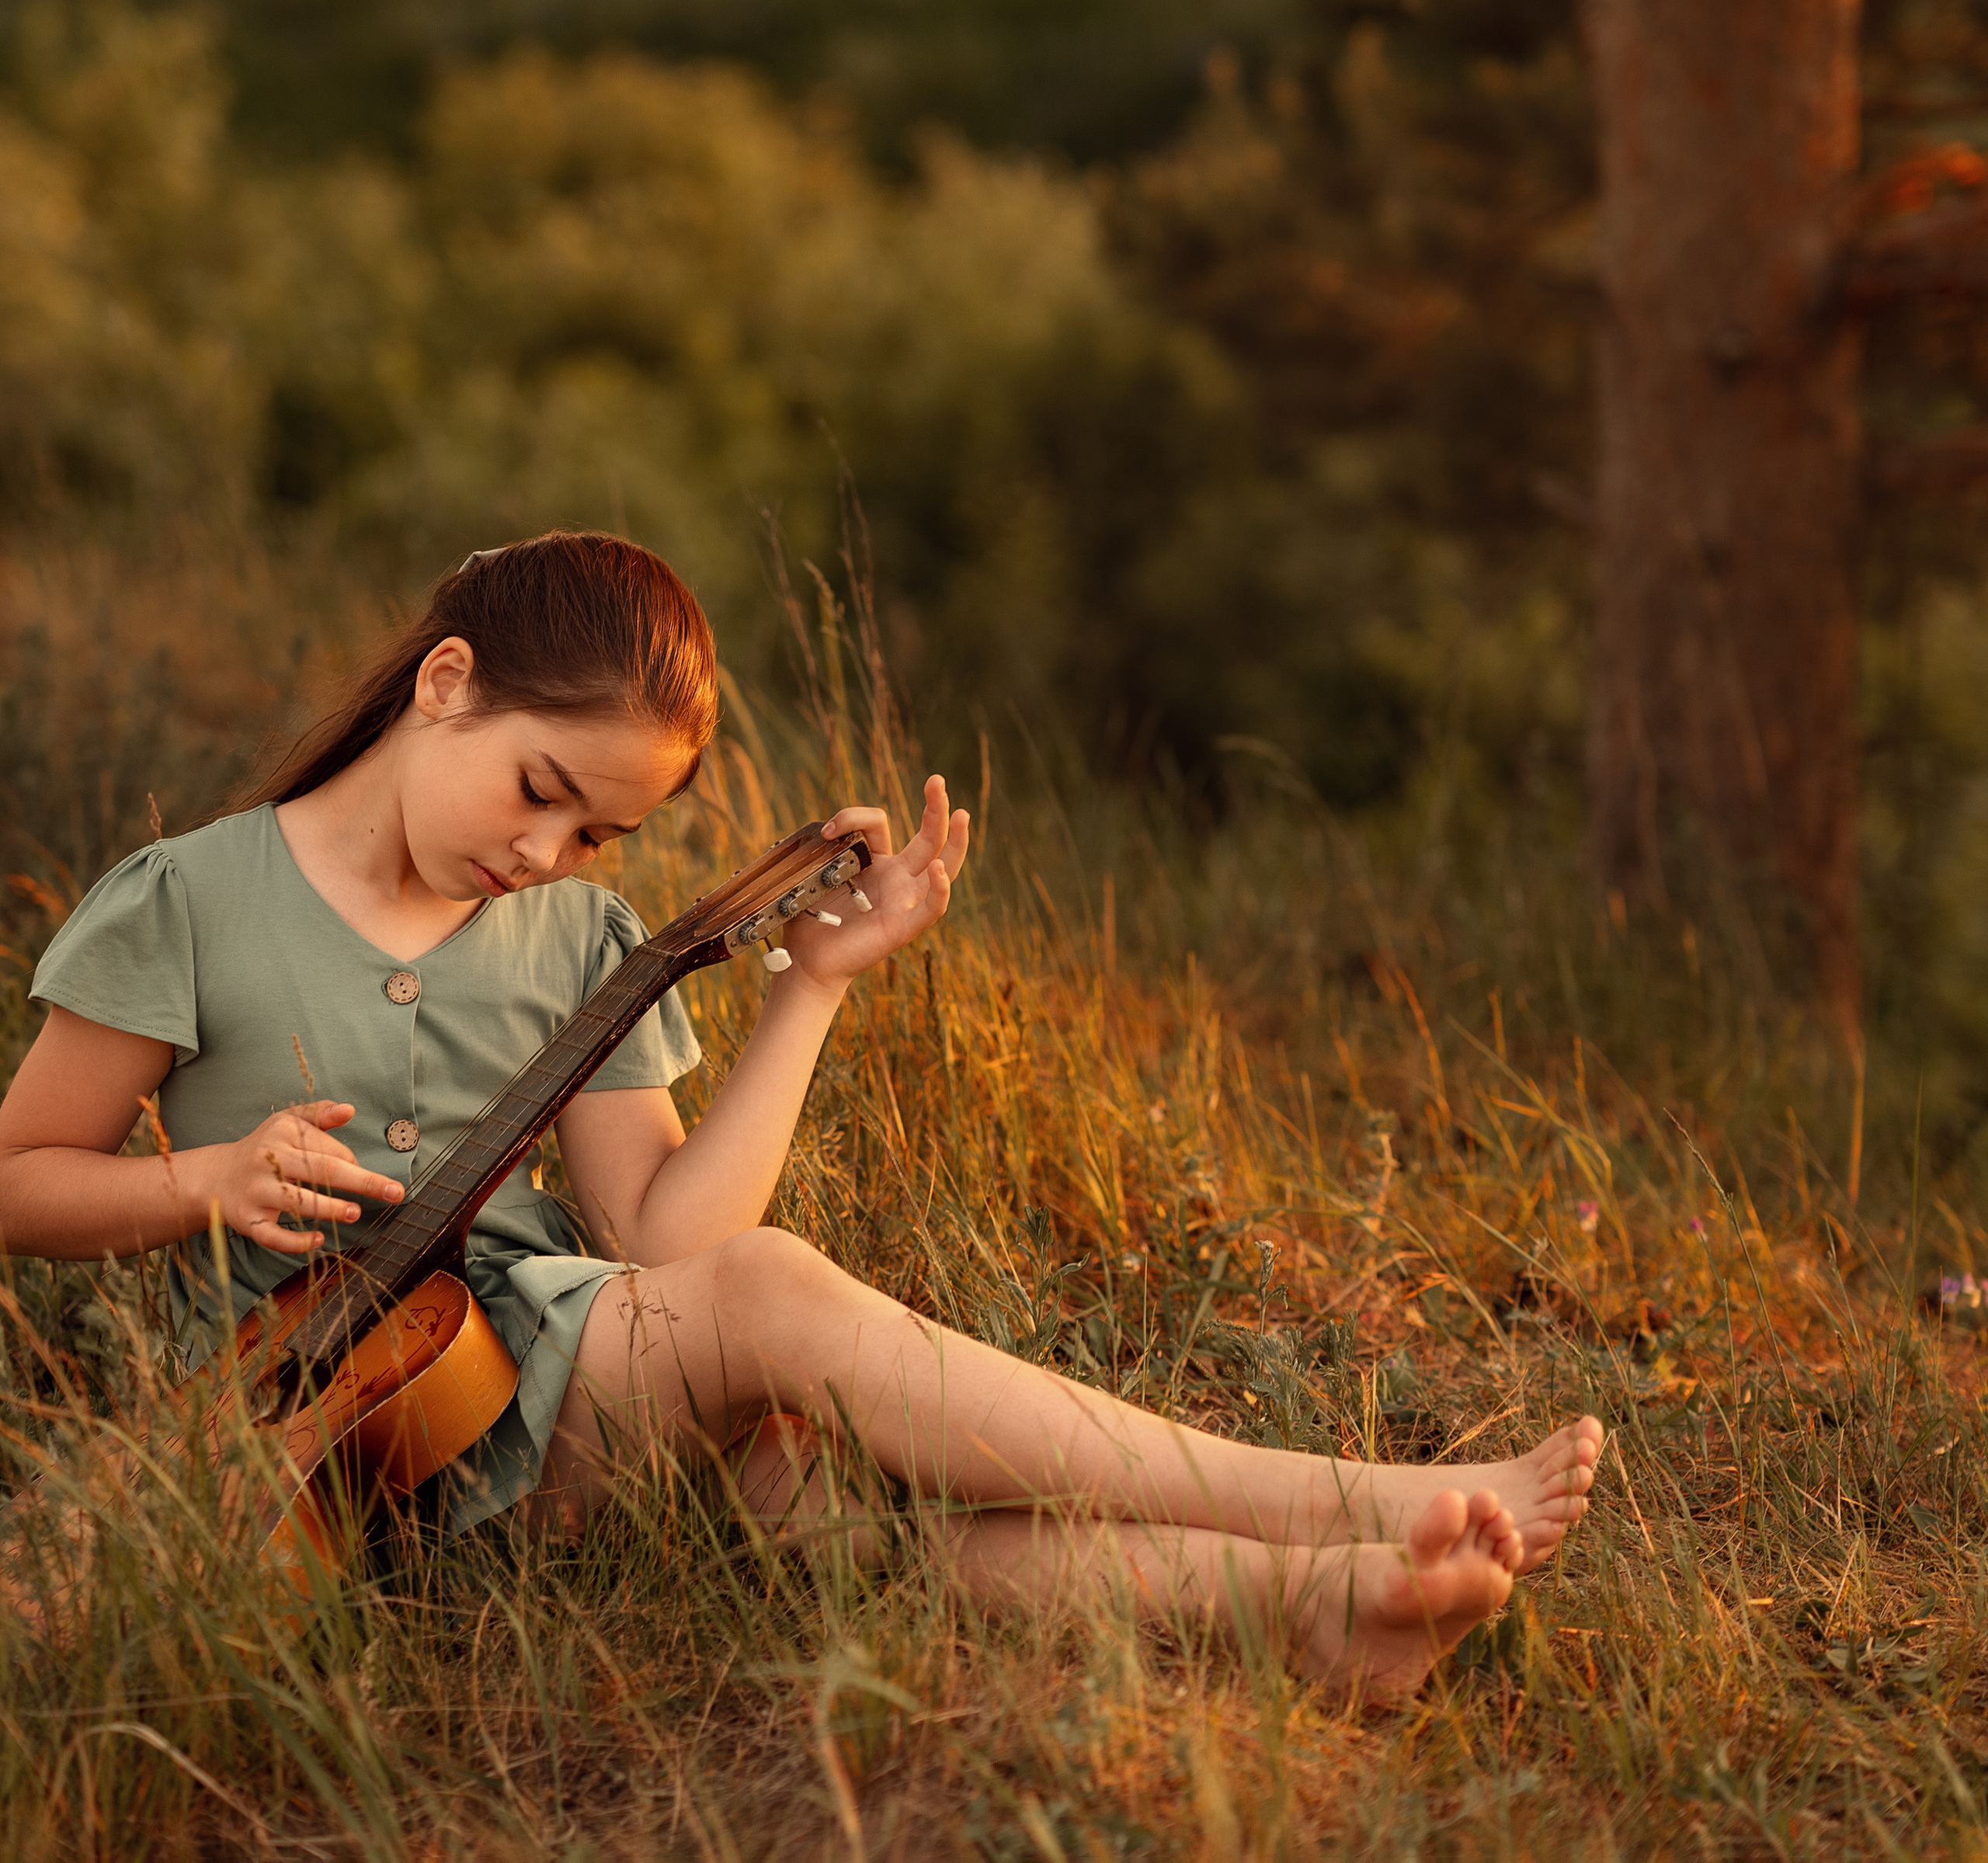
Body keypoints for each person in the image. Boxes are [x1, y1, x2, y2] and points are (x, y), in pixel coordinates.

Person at [0, 532, 1601, 1699]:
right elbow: (21, 1178)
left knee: (801, 1483)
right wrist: (194, 1180)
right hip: (318, 1442)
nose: (549, 850)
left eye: (598, 828)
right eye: (539, 787)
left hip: (552, 1398)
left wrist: (811, 988)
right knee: (771, 1313)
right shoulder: (193, 898)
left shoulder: (576, 941)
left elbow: (657, 1239)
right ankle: (1329, 1492)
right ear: (443, 684)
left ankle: (1315, 1607)